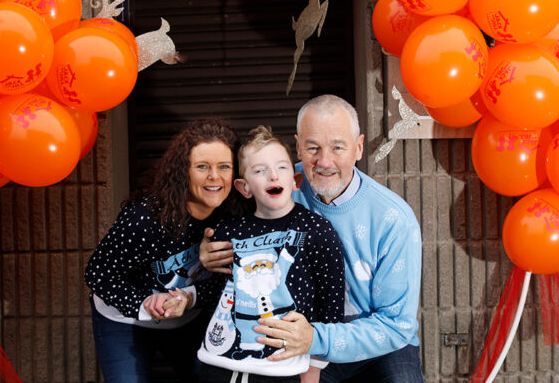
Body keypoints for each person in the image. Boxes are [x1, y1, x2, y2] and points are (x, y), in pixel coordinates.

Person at [201, 95, 424, 383]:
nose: (324, 161)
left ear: (358, 148)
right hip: (295, 332)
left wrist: (315, 339)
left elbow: (396, 327)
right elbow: (235, 227)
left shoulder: (393, 219)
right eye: (313, 148)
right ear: (298, 146)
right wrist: (205, 253)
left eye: (338, 147)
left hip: (376, 343)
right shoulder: (278, 182)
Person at [156, 125, 346, 383]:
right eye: (260, 170)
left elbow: (331, 304)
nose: (272, 176)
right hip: (218, 363)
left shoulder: (317, 231)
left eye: (281, 167)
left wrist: (314, 367)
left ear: (295, 180)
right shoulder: (228, 230)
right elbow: (220, 290)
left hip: (280, 369)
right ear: (244, 187)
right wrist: (187, 297)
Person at [84, 117, 242, 383]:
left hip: (187, 318)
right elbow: (98, 274)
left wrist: (188, 298)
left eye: (224, 167)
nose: (214, 177)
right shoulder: (145, 220)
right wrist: (144, 303)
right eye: (202, 166)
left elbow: (231, 283)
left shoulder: (234, 217)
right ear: (184, 171)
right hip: (124, 319)